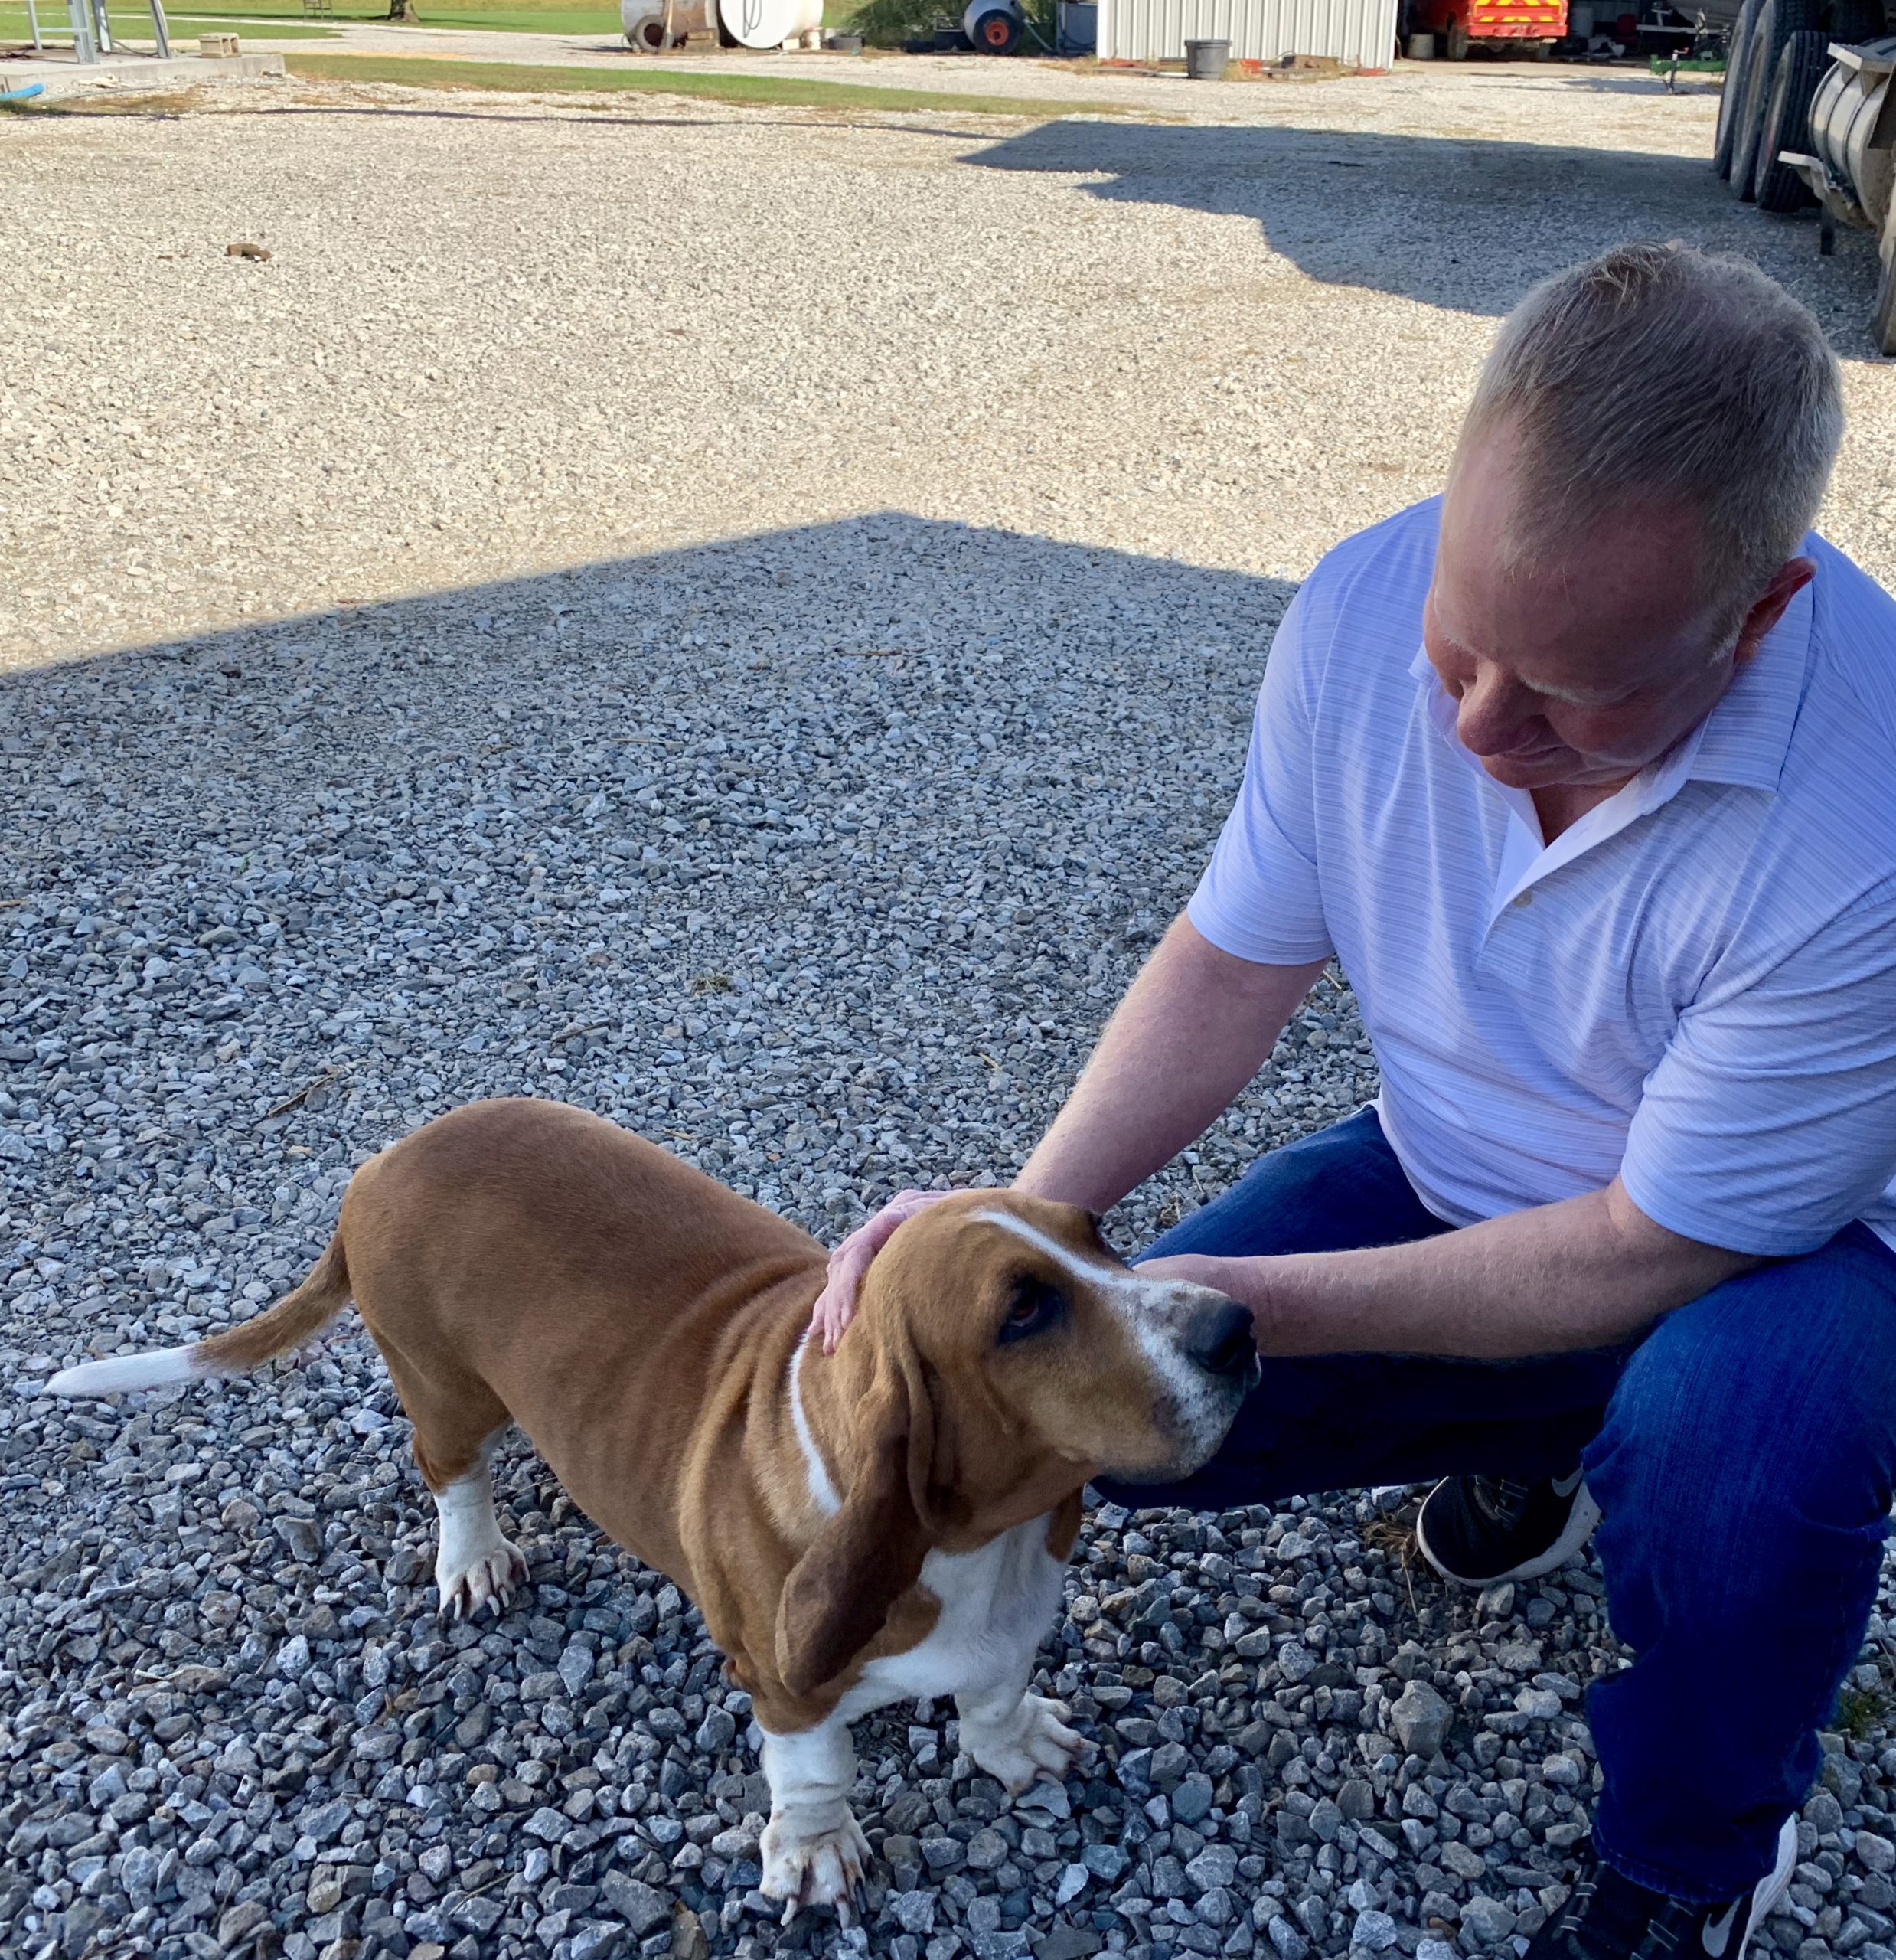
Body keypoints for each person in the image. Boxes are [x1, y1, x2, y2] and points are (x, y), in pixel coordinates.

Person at [809, 241, 1896, 1960]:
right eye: (1461, 644)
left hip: (1777, 1260)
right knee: (1124, 1425)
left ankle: (1694, 1860)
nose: (1475, 724)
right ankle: (1537, 1447)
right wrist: (1006, 1241)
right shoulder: (1355, 603)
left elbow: (1640, 1248)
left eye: (1572, 697)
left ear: (1761, 611)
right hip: (1453, 1177)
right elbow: (1233, 962)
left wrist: (1217, 1305)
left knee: (1733, 1451)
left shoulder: (1872, 825)